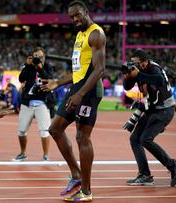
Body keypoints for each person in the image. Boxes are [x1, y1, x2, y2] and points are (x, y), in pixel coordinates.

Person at [41, 1, 106, 201]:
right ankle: (76, 175)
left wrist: (79, 95)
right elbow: (79, 71)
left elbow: (99, 69)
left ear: (86, 12)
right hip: (78, 88)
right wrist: (58, 83)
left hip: (90, 90)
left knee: (82, 137)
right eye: (72, 17)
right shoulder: (79, 35)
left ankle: (86, 190)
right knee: (55, 128)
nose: (75, 20)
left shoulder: (96, 33)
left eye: (78, 15)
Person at [122, 49, 176, 187]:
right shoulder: (138, 70)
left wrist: (139, 74)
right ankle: (145, 175)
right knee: (135, 139)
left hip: (164, 110)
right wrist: (128, 76)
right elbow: (127, 87)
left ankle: (174, 166)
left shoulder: (154, 69)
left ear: (145, 62)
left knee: (145, 139)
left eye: (137, 63)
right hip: (152, 109)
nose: (134, 65)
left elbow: (159, 81)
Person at [13, 47, 53, 161]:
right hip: (27, 102)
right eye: (36, 56)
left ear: (43, 57)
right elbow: (21, 79)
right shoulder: (28, 66)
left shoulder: (47, 66)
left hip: (42, 103)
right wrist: (27, 65)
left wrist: (40, 67)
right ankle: (22, 153)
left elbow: (49, 79)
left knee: (45, 131)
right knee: (21, 131)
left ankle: (45, 155)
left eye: (40, 57)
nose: (38, 59)